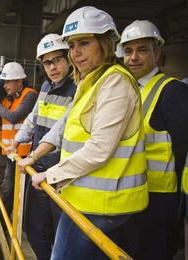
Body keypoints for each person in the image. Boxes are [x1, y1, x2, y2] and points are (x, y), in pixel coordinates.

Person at [31, 6, 148, 260]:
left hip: (101, 204)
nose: (75, 53)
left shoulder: (115, 82)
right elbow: (64, 124)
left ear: (105, 43)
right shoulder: (91, 81)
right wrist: (35, 156)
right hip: (88, 198)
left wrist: (50, 175)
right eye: (72, 45)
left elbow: (99, 149)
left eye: (84, 43)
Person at [119, 20, 188, 260]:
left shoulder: (173, 91)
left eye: (142, 50)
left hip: (158, 202)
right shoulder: (127, 89)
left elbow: (182, 151)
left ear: (157, 53)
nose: (134, 57)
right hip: (128, 196)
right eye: (128, 51)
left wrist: (179, 208)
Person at [5, 34, 76, 260]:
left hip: (62, 176)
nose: (53, 67)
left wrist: (33, 156)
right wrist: (18, 140)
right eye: (47, 62)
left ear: (68, 58)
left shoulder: (77, 88)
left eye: (57, 60)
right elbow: (34, 118)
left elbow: (62, 131)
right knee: (34, 229)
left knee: (61, 235)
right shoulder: (46, 86)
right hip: (39, 173)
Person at [0, 61, 38, 215]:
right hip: (11, 153)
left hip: (24, 154)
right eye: (4, 82)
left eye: (8, 81)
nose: (5, 85)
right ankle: (6, 221)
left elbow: (13, 117)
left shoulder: (30, 95)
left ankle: (2, 222)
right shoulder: (9, 99)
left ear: (19, 81)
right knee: (8, 189)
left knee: (11, 191)